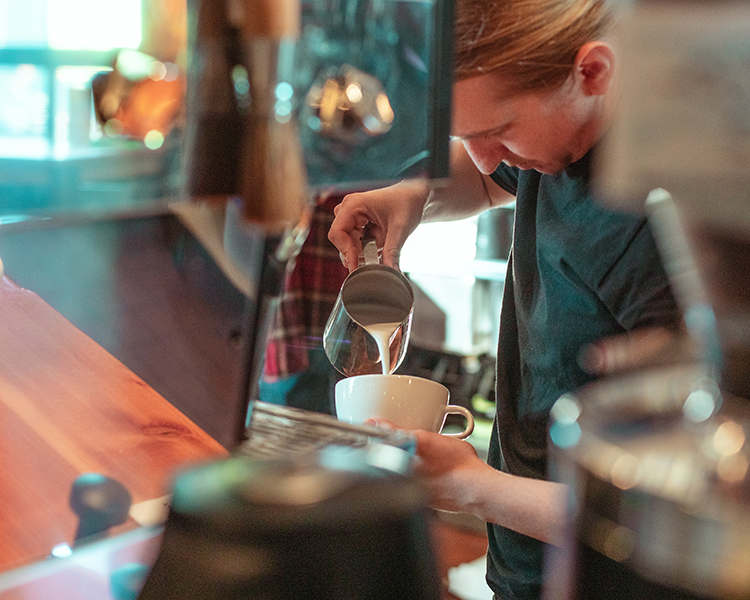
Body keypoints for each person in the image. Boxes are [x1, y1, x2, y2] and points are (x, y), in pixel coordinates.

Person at [327, 1, 684, 598]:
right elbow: (489, 176)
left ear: (592, 72)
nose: (485, 154)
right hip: (523, 560)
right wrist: (410, 197)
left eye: (498, 131)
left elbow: (665, 512)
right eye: (466, 135)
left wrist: (473, 488)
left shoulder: (661, 226)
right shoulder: (563, 132)